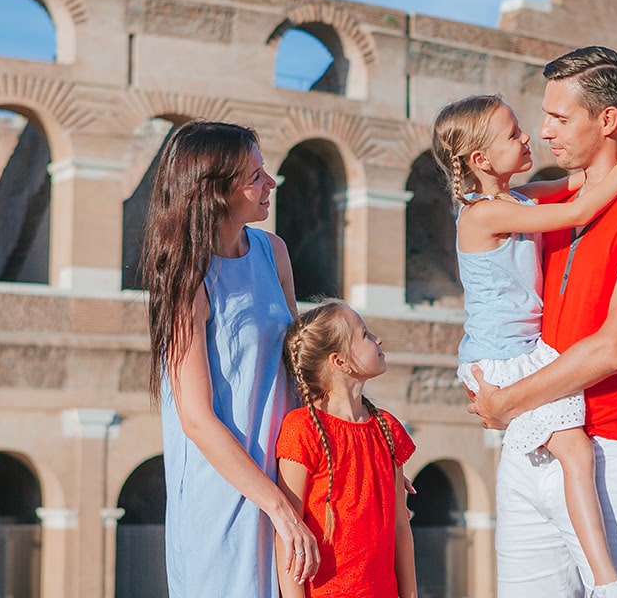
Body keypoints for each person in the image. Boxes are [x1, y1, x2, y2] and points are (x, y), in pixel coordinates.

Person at [466, 46, 617, 598]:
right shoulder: (544, 209)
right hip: (532, 447)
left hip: (616, 451)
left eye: (560, 118)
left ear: (608, 121)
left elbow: (614, 348)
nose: (544, 132)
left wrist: (508, 400)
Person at [432, 93, 617, 598]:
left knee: (573, 456)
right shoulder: (481, 215)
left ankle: (600, 578)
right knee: (576, 454)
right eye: (513, 134)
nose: (528, 136)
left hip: (521, 351)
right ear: (481, 161)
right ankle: (607, 582)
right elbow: (581, 205)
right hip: (499, 359)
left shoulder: (522, 198)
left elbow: (584, 178)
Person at [142, 120, 320, 597]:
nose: (271, 184)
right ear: (215, 192)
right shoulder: (185, 278)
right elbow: (196, 419)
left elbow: (300, 370)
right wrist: (277, 508)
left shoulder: (273, 251)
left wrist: (361, 445)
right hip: (222, 493)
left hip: (286, 478)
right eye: (255, 176)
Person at [274, 300, 417, 598]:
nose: (377, 339)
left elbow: (401, 529)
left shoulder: (388, 429)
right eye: (364, 334)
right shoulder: (302, 429)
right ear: (339, 361)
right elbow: (287, 535)